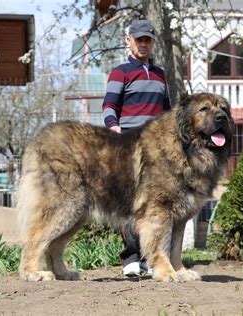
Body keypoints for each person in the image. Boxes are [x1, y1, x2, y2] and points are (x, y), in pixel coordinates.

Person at [102, 19, 171, 277]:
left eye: (148, 40)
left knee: (154, 204)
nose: (143, 44)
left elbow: (167, 112)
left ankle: (152, 257)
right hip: (128, 143)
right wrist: (114, 128)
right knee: (131, 201)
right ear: (128, 41)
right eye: (138, 39)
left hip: (157, 147)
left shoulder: (161, 74)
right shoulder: (120, 72)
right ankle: (131, 257)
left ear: (153, 43)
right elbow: (109, 106)